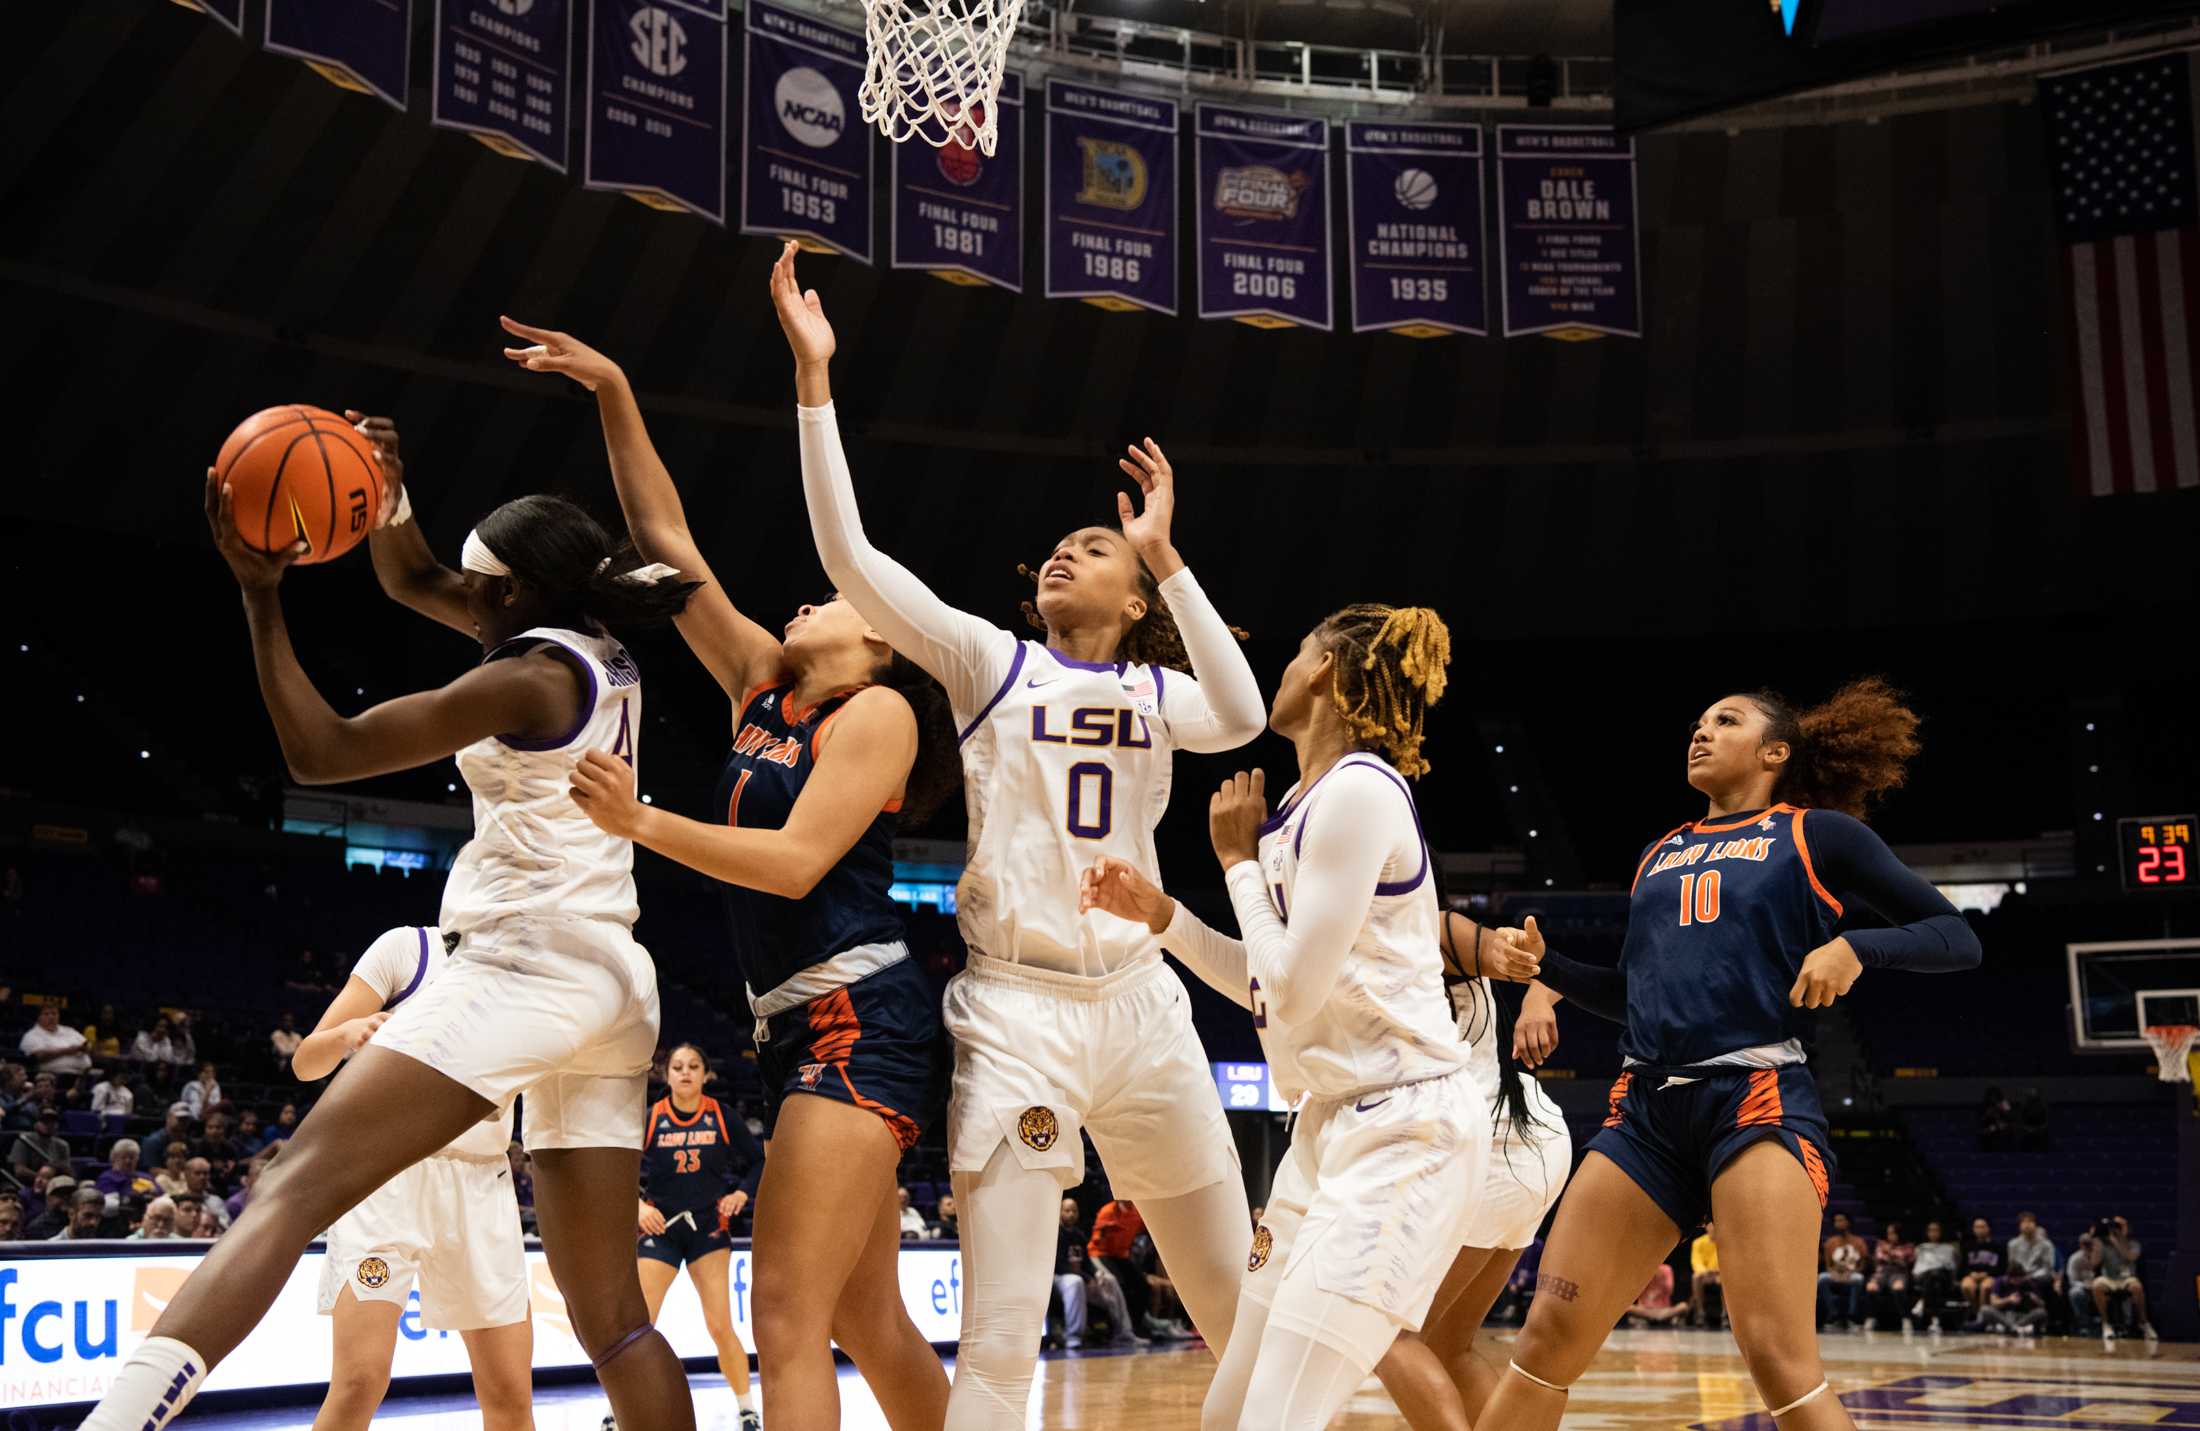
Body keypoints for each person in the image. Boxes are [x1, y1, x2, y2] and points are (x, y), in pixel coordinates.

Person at [76, 444, 701, 1431]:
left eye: (478, 587)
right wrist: (390, 482)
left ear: (514, 594)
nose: (463, 598)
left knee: (292, 1184)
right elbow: (411, 573)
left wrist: (259, 593)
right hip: (615, 976)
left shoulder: (529, 677)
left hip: (527, 962)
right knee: (615, 1320)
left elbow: (319, 752)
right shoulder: (584, 638)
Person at [775, 240, 1263, 1430]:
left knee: (1240, 1311)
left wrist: (1168, 557)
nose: (1064, 551)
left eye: (1091, 548)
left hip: (1143, 1012)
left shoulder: (1161, 697)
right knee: (998, 1344)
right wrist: (815, 380)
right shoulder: (989, 664)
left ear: (1135, 598)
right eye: (1058, 548)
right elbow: (850, 557)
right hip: (1018, 1016)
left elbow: (1246, 715)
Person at [500, 320, 960, 1431]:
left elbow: (798, 862)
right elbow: (667, 534)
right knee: (867, 1320)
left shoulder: (883, 711)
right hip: (795, 1021)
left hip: (861, 1018)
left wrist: (641, 821)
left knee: (789, 1323)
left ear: (885, 638)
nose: (810, 598)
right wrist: (613, 383)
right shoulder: (764, 679)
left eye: (836, 598)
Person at [1479, 681, 1982, 1431]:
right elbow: (1635, 994)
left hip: (1756, 1096)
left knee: (1777, 1357)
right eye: (1698, 722)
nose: (1701, 732)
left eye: (1726, 720)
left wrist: (1855, 946)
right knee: (1546, 1338)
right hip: (1645, 1110)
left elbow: (1957, 936)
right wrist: (1547, 970)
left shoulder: (1818, 834)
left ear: (1775, 751)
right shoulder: (1660, 851)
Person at [1081, 604, 1491, 1431]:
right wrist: (1166, 919)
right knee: (1229, 1410)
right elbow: (1270, 983)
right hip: (1327, 1130)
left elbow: (1292, 986)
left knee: (1273, 1419)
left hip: (1403, 1132)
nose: (1284, 666)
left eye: (1298, 650)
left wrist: (1233, 862)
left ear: (1326, 672)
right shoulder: (1307, 801)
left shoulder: (1361, 791)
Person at [294, 922, 532, 1431]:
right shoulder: (409, 948)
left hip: (482, 1183)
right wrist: (345, 1036)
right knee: (360, 1381)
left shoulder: (531, 971)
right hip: (387, 1175)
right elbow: (306, 1062)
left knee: (510, 1394)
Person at [1375, 912, 1568, 1428]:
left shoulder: (1422, 928)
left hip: (1489, 1149)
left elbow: (1533, 959)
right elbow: (1538, 962)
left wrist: (1530, 992)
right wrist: (1532, 996)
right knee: (1446, 1344)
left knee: (1382, 1334)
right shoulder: (1433, 934)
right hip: (1532, 1143)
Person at [633, 1044, 764, 1431]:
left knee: (720, 1325)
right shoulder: (651, 1118)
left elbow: (758, 1159)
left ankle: (747, 1409)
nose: (685, 1073)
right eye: (677, 1067)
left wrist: (742, 1192)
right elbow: (618, 1169)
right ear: (666, 1074)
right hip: (663, 1230)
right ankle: (618, 1409)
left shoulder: (721, 1116)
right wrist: (637, 1205)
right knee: (639, 1325)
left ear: (706, 1074)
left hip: (708, 1229)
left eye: (693, 1066)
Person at [2092, 1216, 2157, 1347]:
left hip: (2127, 1278)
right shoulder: (2103, 1244)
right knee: (2097, 1285)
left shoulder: (2134, 1244)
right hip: (2109, 1278)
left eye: (2120, 1227)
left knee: (2136, 1286)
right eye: (2114, 1227)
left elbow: (2130, 1257)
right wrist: (2097, 1246)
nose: (2116, 1230)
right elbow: (2094, 1263)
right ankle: (2106, 1324)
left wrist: (2117, 1241)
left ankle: (2144, 1323)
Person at [1818, 1212, 1870, 1329]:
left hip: (1852, 1274)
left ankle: (1852, 1316)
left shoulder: (1858, 1242)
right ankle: (1833, 1314)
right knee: (1821, 1278)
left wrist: (1851, 1272)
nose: (1838, 1223)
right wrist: (1834, 1273)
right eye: (1836, 1221)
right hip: (1835, 1274)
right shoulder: (1830, 1243)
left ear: (1848, 1222)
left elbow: (1863, 1265)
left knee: (1858, 1279)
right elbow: (1828, 1266)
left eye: (1841, 1220)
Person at [1863, 1221, 1915, 1330]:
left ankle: (1906, 1318)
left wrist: (1890, 1253)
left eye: (1893, 1233)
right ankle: (1871, 1318)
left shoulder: (1908, 1246)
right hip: (1881, 1273)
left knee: (1898, 1288)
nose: (1890, 1236)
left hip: (1899, 1273)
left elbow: (1906, 1262)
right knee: (1871, 1287)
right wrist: (1894, 1256)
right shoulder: (1881, 1244)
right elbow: (1879, 1258)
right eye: (1889, 1233)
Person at [1911, 1220, 1959, 1329]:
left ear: (1941, 1232)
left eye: (1936, 1230)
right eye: (1930, 1230)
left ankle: (1922, 1302)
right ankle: (1935, 1321)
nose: (1933, 1233)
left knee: (1936, 1277)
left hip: (1943, 1278)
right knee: (1934, 1279)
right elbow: (1917, 1267)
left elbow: (1950, 1267)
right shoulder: (1921, 1248)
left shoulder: (1949, 1248)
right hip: (1923, 1277)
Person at [18, 1004, 90, 1076]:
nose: (51, 1017)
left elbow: (87, 1045)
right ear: (38, 1017)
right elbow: (38, 1057)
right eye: (46, 1014)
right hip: (54, 1076)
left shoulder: (70, 1030)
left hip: (85, 1073)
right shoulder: (31, 1035)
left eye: (54, 1013)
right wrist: (67, 1050)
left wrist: (87, 1048)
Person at [1959, 1217, 2004, 1316]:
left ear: (1988, 1228)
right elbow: (1962, 1267)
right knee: (1966, 1286)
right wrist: (1971, 1273)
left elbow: (2001, 1267)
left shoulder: (1997, 1246)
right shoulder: (1967, 1246)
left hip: (1990, 1275)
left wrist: (1987, 1274)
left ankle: (1983, 1315)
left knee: (1985, 1287)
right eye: (1977, 1227)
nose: (1980, 1230)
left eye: (1982, 1227)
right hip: (1972, 1275)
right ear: (1973, 1229)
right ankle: (1976, 1312)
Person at [2005, 1212, 2057, 1297]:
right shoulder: (2012, 1244)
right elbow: (2012, 1265)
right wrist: (2020, 1276)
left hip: (2038, 1277)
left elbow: (2047, 1267)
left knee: (2045, 1279)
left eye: (2030, 1222)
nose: (2027, 1225)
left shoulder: (2046, 1244)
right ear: (2019, 1226)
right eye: (2024, 1222)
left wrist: (2031, 1277)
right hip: (2019, 1276)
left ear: (2035, 1225)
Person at [8, 1103, 67, 1178]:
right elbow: (19, 1171)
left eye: (53, 1121)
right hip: (28, 1184)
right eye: (45, 1121)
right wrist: (42, 1179)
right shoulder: (24, 1140)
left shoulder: (62, 1145)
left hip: (53, 1185)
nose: (49, 1125)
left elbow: (66, 1171)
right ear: (36, 1123)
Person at [1623, 1265, 1691, 1327]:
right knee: (1628, 1307)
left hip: (1664, 1310)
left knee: (1683, 1306)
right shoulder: (1642, 1269)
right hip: (1645, 1310)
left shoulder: (1666, 1269)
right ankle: (1656, 1317)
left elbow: (1670, 1291)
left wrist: (1660, 1276)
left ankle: (1658, 1317)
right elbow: (1635, 1291)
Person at [1979, 1277, 2046, 1335]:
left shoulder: (2030, 1283)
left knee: (2041, 1312)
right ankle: (2013, 1327)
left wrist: (2035, 1299)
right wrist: (2009, 1299)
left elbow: (2042, 1305)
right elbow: (1993, 1303)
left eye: (2019, 1278)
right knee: (1984, 1309)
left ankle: (2012, 1328)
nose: (2017, 1281)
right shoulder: (2000, 1281)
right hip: (2004, 1316)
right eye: (2014, 1278)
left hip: (2023, 1317)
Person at [141, 1102, 195, 1171]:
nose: (183, 1122)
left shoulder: (190, 1143)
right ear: (168, 1117)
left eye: (186, 1119)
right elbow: (152, 1170)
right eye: (180, 1119)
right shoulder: (153, 1141)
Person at [1691, 1224, 1725, 1329]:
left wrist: (1717, 1271)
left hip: (1719, 1274)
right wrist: (1705, 1272)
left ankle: (1725, 1314)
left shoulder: (1724, 1243)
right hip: (1705, 1275)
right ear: (1706, 1227)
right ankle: (1700, 1312)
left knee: (1725, 1281)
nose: (1714, 1228)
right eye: (1711, 1226)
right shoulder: (1698, 1242)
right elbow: (1696, 1261)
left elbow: (1726, 1262)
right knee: (1696, 1277)